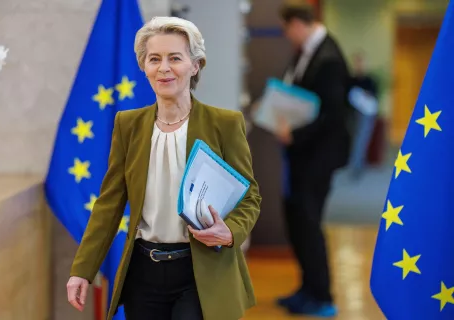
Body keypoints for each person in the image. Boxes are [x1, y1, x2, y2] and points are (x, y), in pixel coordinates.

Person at [65, 16, 261, 320]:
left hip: (201, 270)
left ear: (195, 65)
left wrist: (230, 232)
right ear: (144, 66)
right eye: (154, 59)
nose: (164, 68)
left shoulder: (225, 124)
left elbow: (250, 197)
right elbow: (109, 204)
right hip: (144, 272)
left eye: (175, 58)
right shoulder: (128, 125)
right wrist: (83, 270)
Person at [275, 3, 351, 317]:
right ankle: (307, 288)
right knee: (297, 221)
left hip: (318, 155)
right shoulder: (307, 52)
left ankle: (323, 296)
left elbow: (333, 114)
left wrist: (297, 133)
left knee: (309, 222)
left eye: (287, 29)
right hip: (303, 154)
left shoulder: (328, 57)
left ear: (298, 24)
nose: (286, 36)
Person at [348, 51, 379, 179]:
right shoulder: (351, 80)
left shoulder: (370, 80)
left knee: (362, 138)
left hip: (366, 113)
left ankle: (358, 165)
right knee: (355, 139)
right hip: (354, 113)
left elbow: (374, 96)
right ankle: (354, 164)